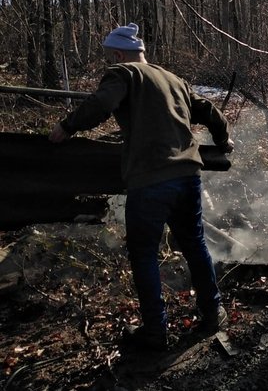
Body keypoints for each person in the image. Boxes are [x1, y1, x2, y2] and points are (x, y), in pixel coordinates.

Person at [49, 22, 234, 350]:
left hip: (150, 181)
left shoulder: (122, 73)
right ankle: (212, 313)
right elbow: (207, 110)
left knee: (145, 254)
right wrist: (223, 139)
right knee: (195, 245)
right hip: (188, 176)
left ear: (119, 54)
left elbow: (101, 105)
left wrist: (68, 127)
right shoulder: (173, 79)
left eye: (111, 56)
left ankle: (155, 331)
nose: (110, 61)